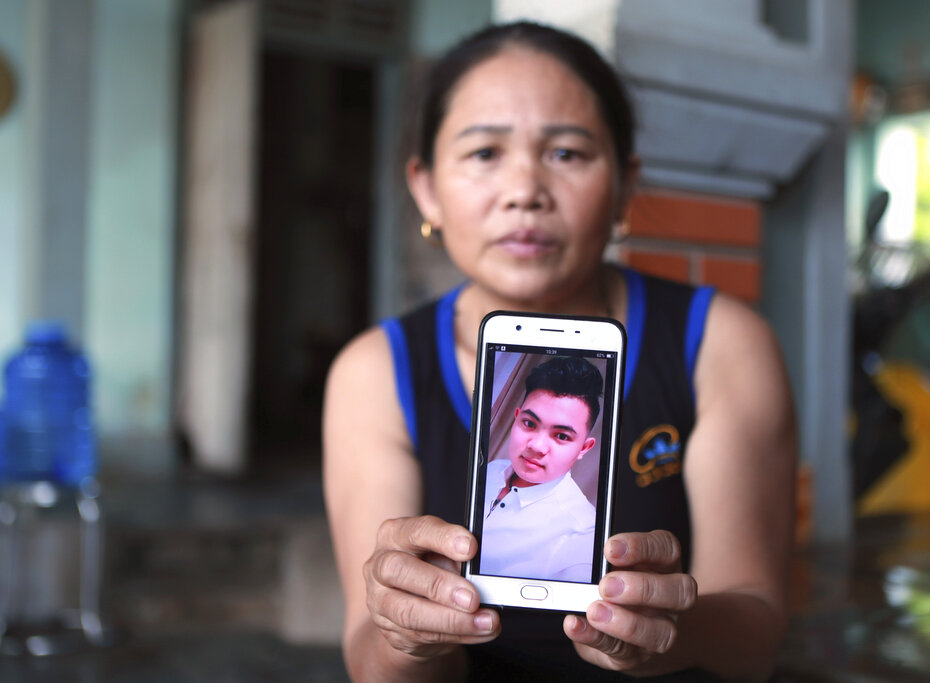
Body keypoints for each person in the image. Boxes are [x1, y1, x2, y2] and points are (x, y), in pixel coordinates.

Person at [323, 20, 796, 682]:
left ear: (626, 186)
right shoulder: (373, 373)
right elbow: (371, 662)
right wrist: (406, 634)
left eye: (568, 153)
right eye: (484, 153)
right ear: (426, 187)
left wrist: (667, 629)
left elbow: (755, 635)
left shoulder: (723, 344)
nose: (525, 191)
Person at [480, 355, 603, 583]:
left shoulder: (583, 532)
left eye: (561, 436)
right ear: (517, 418)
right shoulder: (490, 471)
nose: (536, 446)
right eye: (529, 424)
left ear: (583, 448)